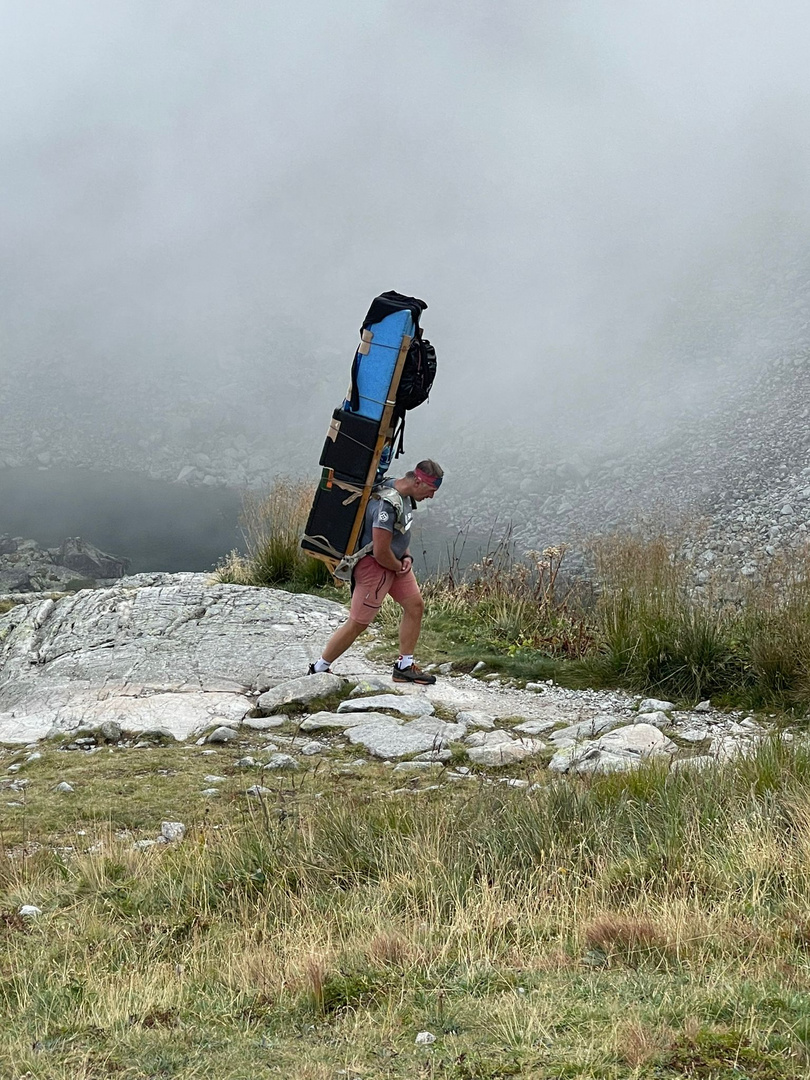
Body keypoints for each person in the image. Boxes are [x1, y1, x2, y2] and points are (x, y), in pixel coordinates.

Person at [308, 459, 444, 684]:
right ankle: (319, 668)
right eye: (431, 490)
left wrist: (406, 556)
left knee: (415, 606)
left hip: (397, 564)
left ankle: (404, 666)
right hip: (375, 567)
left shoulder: (403, 495)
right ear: (418, 482)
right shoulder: (387, 504)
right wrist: (398, 566)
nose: (431, 496)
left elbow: (400, 533)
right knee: (358, 623)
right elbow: (381, 551)